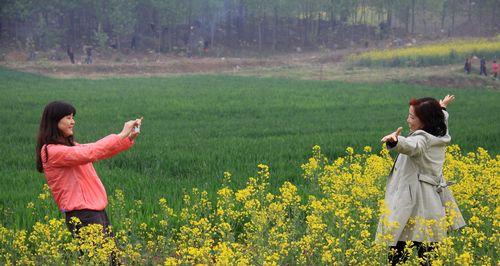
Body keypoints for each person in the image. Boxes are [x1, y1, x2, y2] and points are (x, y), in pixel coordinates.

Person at [35, 101, 142, 250]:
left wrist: (128, 138)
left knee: (111, 259)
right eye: (68, 117)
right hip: (82, 215)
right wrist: (121, 134)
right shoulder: (52, 151)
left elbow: (99, 151)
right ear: (54, 121)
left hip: (94, 211)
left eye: (73, 117)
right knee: (100, 259)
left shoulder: (71, 147)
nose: (73, 122)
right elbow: (90, 152)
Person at [377, 95, 465, 265]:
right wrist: (442, 108)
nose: (407, 120)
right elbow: (442, 120)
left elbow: (412, 145)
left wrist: (396, 141)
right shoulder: (440, 134)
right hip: (432, 206)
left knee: (398, 253)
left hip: (412, 207)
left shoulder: (422, 140)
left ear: (425, 121)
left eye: (411, 117)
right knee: (429, 256)